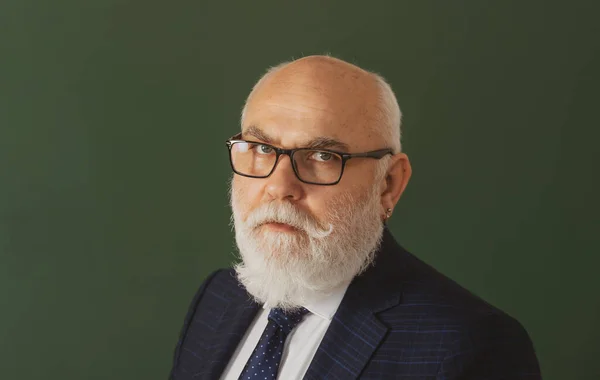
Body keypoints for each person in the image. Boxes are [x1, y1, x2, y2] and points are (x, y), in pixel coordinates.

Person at [169, 55, 542, 379]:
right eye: (263, 148)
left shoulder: (469, 347)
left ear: (388, 185)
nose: (279, 186)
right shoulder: (218, 298)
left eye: (322, 157)